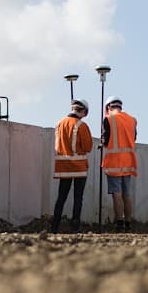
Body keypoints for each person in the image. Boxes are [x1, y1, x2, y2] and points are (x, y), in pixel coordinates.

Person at [51, 98, 93, 233]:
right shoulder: (81, 125)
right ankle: (75, 228)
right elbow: (88, 147)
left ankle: (54, 228)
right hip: (79, 167)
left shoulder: (59, 124)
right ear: (84, 111)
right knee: (77, 198)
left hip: (63, 167)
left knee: (61, 198)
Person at [101, 96, 138, 230]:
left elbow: (105, 141)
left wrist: (102, 142)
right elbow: (133, 138)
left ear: (108, 107)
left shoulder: (109, 119)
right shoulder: (132, 120)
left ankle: (119, 223)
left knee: (116, 193)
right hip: (128, 161)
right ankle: (128, 223)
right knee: (126, 194)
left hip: (114, 162)